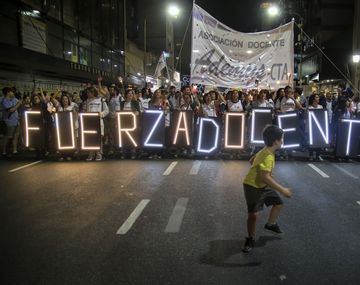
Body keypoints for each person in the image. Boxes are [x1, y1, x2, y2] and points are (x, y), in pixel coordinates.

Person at [242, 125, 292, 253]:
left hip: (262, 186)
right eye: (282, 139)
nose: (282, 141)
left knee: (278, 204)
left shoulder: (266, 150)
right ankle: (250, 239)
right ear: (276, 141)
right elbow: (265, 178)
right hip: (252, 186)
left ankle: (270, 224)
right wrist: (283, 190)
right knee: (253, 215)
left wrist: (259, 170)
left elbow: (251, 160)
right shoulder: (269, 156)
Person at [2, 87, 22, 156]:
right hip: (9, 121)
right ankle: (4, 151)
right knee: (8, 136)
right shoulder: (5, 101)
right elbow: (11, 110)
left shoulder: (14, 99)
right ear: (8, 92)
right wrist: (18, 104)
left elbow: (20, 103)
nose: (13, 93)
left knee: (16, 135)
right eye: (12, 92)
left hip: (16, 121)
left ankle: (14, 150)